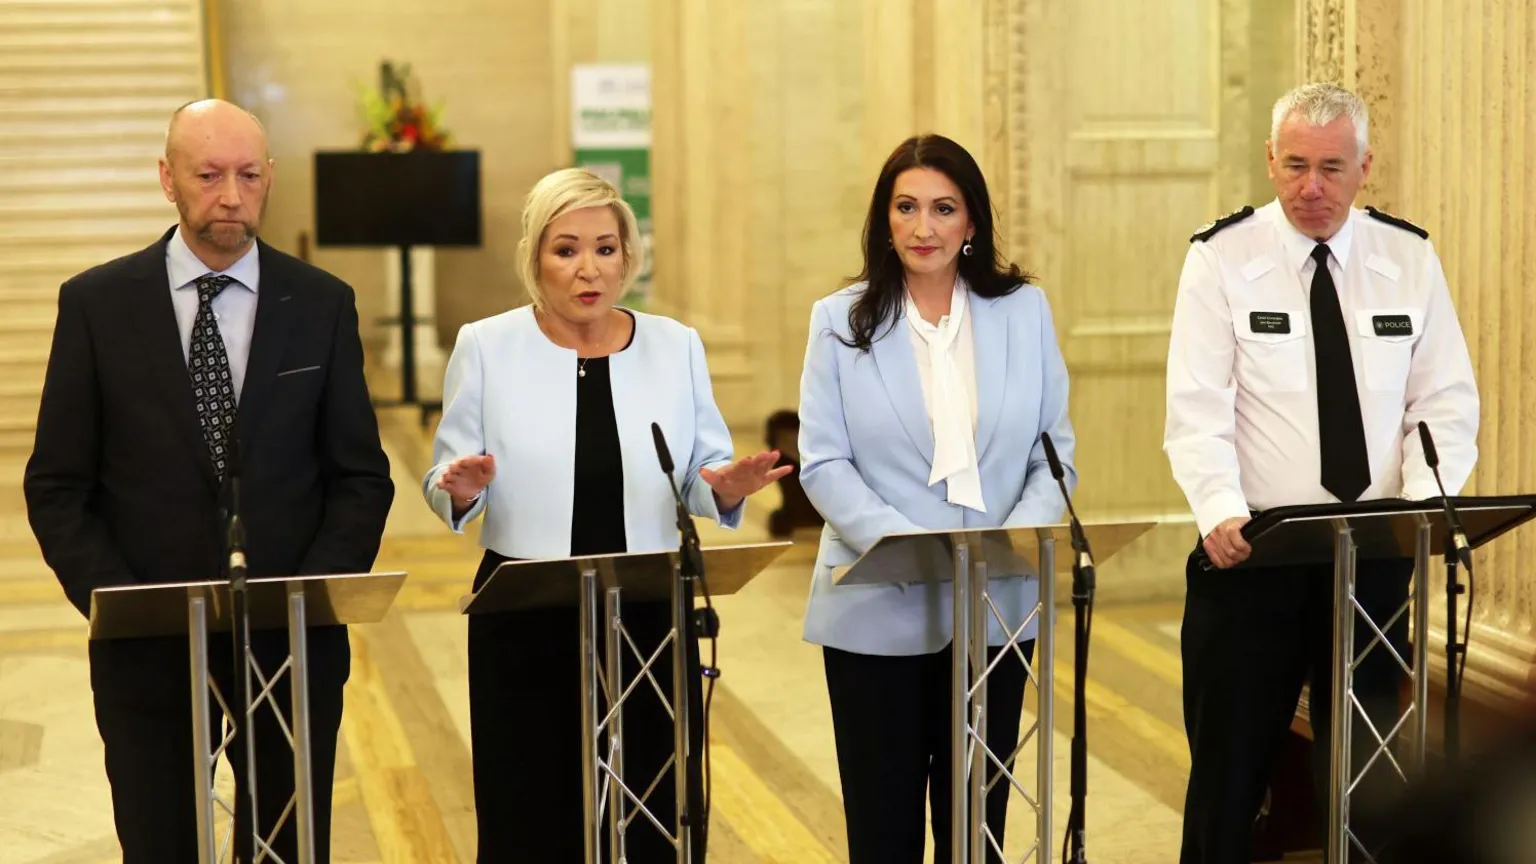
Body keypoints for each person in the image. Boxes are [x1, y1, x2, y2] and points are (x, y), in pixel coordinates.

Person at [23, 99, 394, 863]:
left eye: (249, 175)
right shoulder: (95, 304)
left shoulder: (322, 304)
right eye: (209, 174)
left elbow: (360, 476)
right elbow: (58, 484)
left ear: (270, 179)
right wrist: (119, 603)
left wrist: (311, 602)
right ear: (167, 178)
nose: (230, 195)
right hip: (147, 647)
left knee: (287, 847)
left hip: (290, 644)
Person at [422, 167, 789, 862]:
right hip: (525, 608)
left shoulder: (675, 345)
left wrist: (729, 484)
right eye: (565, 250)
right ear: (536, 258)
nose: (587, 268)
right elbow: (441, 483)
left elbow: (700, 474)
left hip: (646, 608)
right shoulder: (487, 346)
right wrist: (462, 485)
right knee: (530, 810)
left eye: (605, 248)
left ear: (628, 255)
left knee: (649, 806)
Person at [1165, 82, 1479, 863]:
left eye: (1332, 167)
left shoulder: (1407, 259)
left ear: (1365, 166)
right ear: (1270, 162)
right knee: (1229, 780)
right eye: (1296, 165)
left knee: (1368, 776)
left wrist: (1420, 507)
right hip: (1254, 554)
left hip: (1368, 558)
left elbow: (1442, 399)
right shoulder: (1220, 259)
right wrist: (1218, 510)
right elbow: (1197, 408)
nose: (1313, 187)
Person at [796, 133, 1077, 863]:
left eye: (943, 209)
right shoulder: (839, 319)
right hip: (874, 603)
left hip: (997, 609)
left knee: (975, 826)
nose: (924, 228)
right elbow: (823, 463)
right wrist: (905, 547)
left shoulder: (1024, 312)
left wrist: (1010, 545)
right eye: (907, 207)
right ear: (884, 221)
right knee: (884, 828)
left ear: (971, 223)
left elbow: (1055, 452)